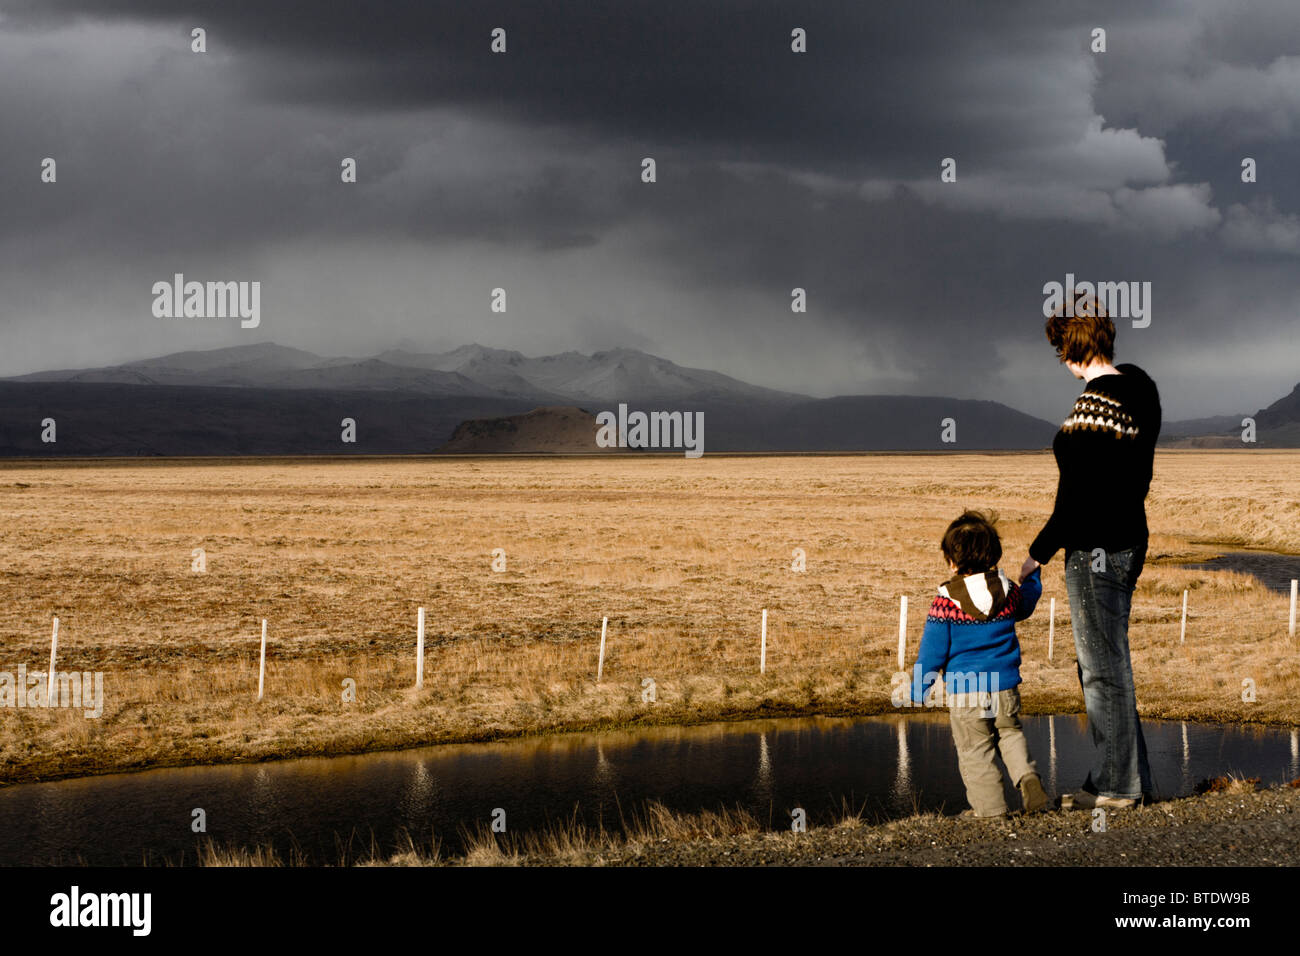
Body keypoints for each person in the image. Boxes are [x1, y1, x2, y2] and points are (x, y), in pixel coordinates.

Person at [1019, 291, 1161, 810]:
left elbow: (1076, 498)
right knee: (1112, 664)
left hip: (1093, 549)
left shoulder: (1089, 408)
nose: (1061, 361)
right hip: (1130, 540)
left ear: (1071, 349)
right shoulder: (1141, 388)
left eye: (1061, 349)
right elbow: (1133, 478)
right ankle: (1132, 781)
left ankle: (1116, 788)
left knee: (1100, 669)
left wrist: (1036, 552)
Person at [909, 510, 1048, 818]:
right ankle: (1027, 778)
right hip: (1005, 687)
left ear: (951, 560)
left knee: (975, 750)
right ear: (993, 554)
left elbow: (932, 653)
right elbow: (1027, 603)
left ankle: (991, 811)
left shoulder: (945, 603)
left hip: (965, 693)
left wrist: (919, 688)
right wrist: (1033, 577)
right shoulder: (1009, 590)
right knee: (1009, 734)